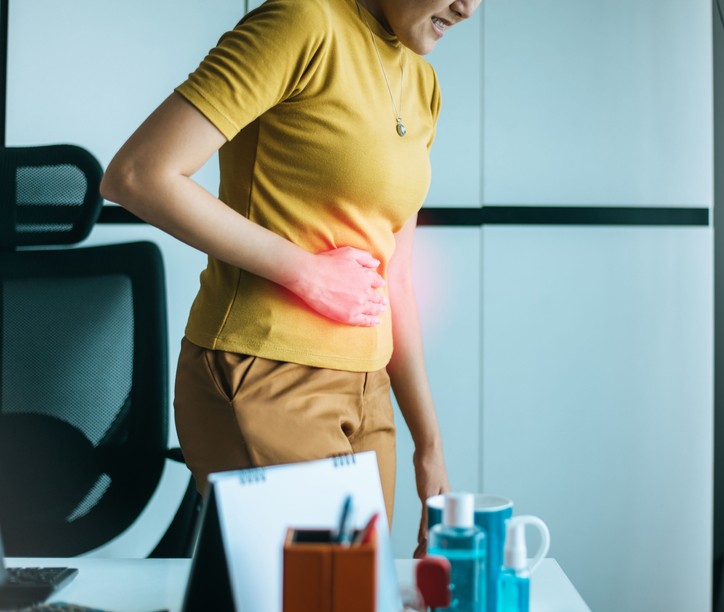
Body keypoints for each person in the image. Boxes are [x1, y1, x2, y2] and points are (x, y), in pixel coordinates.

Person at [100, 0, 480, 557]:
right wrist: (306, 273)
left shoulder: (423, 84)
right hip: (265, 372)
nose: (468, 7)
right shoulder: (301, 23)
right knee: (324, 594)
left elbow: (397, 279)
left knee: (351, 595)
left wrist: (430, 441)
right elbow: (137, 175)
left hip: (369, 393)